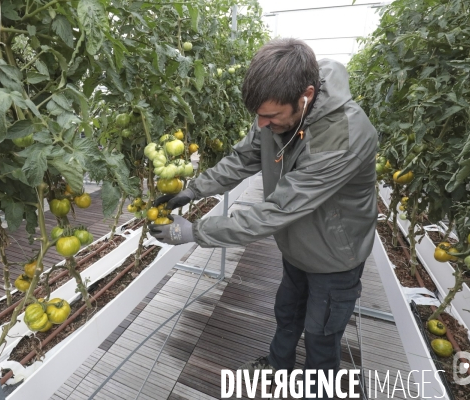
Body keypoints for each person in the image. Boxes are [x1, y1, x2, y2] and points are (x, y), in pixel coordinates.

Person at [149, 38, 377, 398]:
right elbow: (242, 159)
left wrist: (196, 231)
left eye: (270, 117)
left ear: (306, 95)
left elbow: (279, 209)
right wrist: (194, 189)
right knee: (287, 312)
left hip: (336, 255)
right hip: (296, 245)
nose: (262, 124)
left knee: (321, 334)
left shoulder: (343, 136)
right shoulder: (277, 110)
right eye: (258, 115)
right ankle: (277, 366)